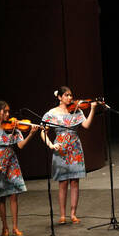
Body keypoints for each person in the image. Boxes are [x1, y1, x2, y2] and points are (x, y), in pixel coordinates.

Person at [0, 100, 38, 236]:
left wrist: (31, 134)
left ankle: (15, 227)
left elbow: (21, 145)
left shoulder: (13, 127)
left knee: (14, 195)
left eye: (8, 111)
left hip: (12, 161)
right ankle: (4, 227)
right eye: (4, 111)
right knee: (1, 197)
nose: (7, 114)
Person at [41, 86, 98, 224]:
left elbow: (86, 125)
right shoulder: (52, 113)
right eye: (66, 95)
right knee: (63, 182)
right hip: (60, 149)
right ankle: (62, 215)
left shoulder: (76, 111)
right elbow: (43, 131)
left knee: (75, 181)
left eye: (71, 95)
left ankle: (73, 213)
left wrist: (92, 109)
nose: (70, 98)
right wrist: (50, 145)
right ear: (59, 97)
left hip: (75, 148)